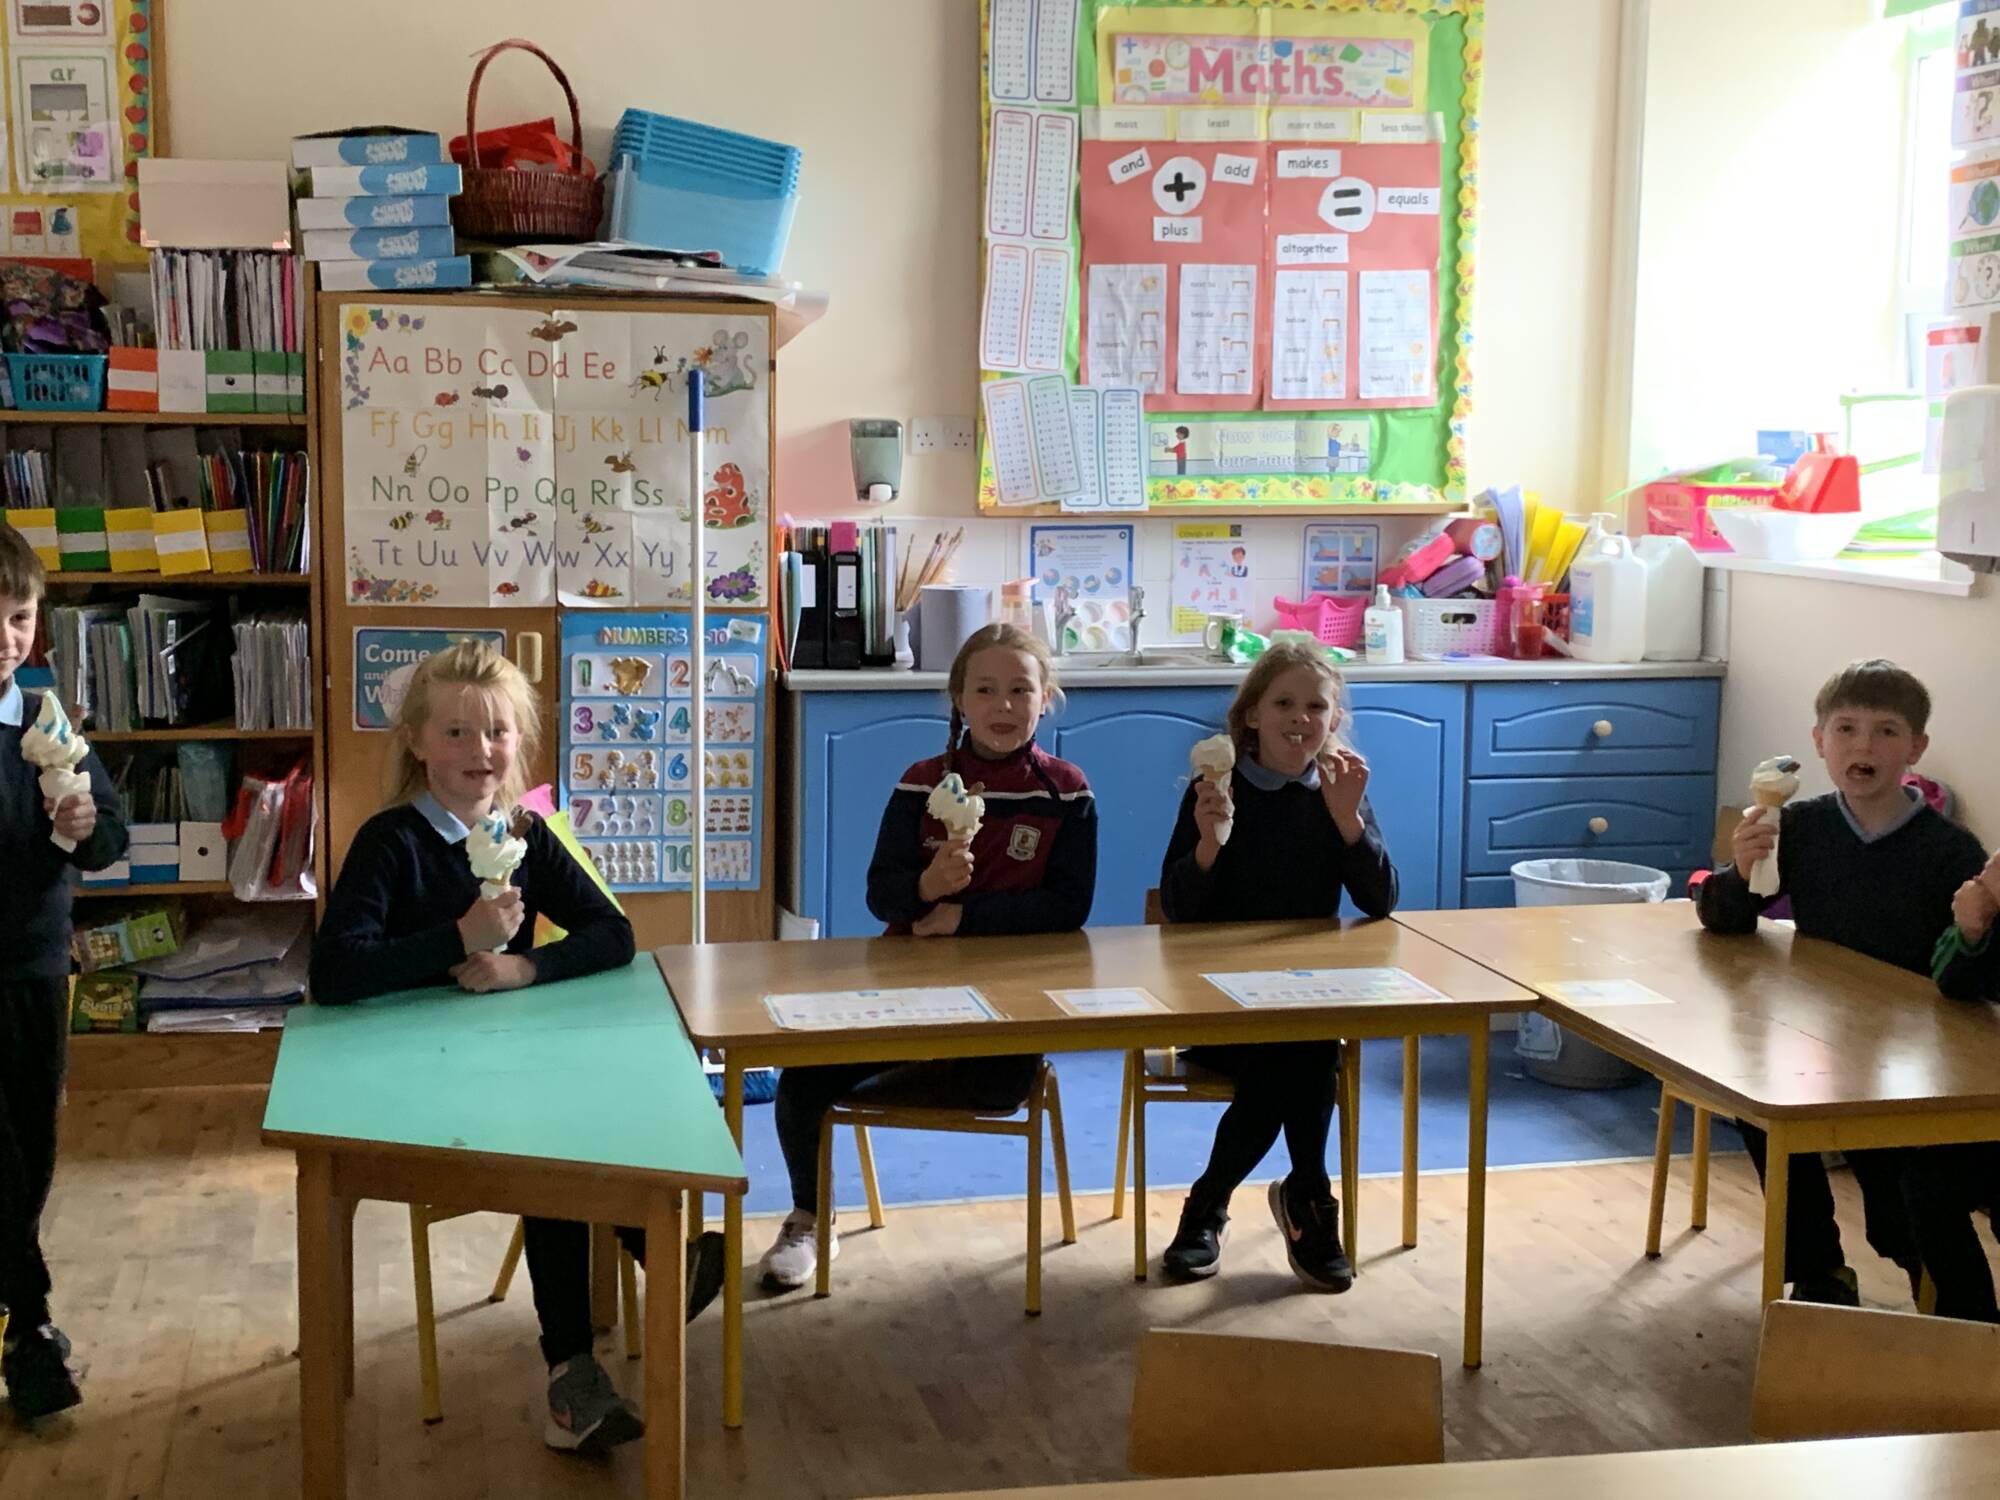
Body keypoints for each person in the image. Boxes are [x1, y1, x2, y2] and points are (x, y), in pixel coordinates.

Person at [310, 640, 722, 1456]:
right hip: (410, 1080)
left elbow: (613, 933)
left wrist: (524, 967)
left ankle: (632, 1295)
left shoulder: (523, 833)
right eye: (456, 733)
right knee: (551, 1145)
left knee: (597, 1104)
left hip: (508, 1064)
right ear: (417, 744)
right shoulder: (391, 842)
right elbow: (335, 972)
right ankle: (593, 1346)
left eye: (497, 732)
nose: (481, 750)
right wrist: (457, 939)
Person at [758, 624, 1096, 1290]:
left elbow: (1068, 907)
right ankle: (811, 1214)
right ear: (959, 699)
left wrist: (967, 916)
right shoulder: (921, 784)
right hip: (907, 992)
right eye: (985, 690)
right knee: (803, 1078)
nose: (1004, 705)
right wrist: (924, 886)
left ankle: (918, 1063)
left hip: (1007, 1004)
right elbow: (880, 894)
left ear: (1046, 698)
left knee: (998, 1086)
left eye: (1021, 690)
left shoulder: (1067, 792)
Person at [1698, 659, 1992, 1308]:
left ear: (1915, 749)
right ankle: (1819, 1267)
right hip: (1818, 1030)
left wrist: (1974, 932)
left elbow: (1969, 972)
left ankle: (1932, 1283)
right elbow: (1727, 920)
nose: (1865, 746)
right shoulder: (1801, 827)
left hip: (1915, 1051)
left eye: (1887, 732)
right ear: (1819, 742)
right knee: (1763, 1109)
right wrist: (1740, 873)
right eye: (1847, 729)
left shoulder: (1950, 850)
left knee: (1898, 1183)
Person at [1155, 642, 1397, 1288]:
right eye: (1284, 703)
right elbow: (1176, 907)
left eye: (1316, 706)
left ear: (1334, 719)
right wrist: (1208, 847)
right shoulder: (1217, 791)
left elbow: (1381, 901)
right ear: (1252, 716)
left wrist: (1349, 823)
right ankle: (1308, 1199)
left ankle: (1210, 1206)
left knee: (1301, 1046)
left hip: (1302, 999)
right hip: (1217, 1003)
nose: (1300, 718)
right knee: (1299, 1057)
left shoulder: (1338, 792)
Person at [0, 525, 126, 1422]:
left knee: (30, 1144)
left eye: (18, 617)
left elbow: (108, 837)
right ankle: (31, 1325)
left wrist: (83, 826)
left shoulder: (45, 721)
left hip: (32, 965)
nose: (5, 638)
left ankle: (20, 1309)